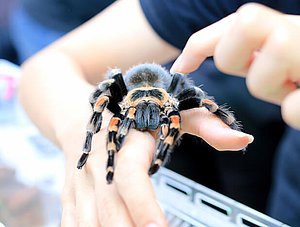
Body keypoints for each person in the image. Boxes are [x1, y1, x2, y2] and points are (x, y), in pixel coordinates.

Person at [18, 0, 300, 226]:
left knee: (193, 100)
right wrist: (83, 133)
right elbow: (45, 68)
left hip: (166, 89)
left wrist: (219, 116)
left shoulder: (174, 95)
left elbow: (197, 98)